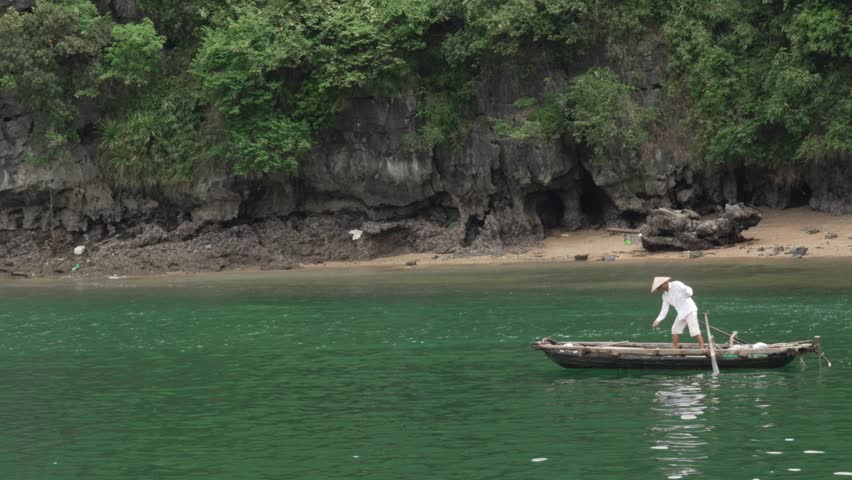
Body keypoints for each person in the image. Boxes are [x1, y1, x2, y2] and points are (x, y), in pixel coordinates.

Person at [651, 276, 705, 349]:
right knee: (675, 329)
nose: (658, 289)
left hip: (690, 310)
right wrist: (657, 320)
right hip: (681, 313)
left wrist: (688, 294)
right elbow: (664, 310)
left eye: (659, 287)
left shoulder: (676, 284)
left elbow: (689, 289)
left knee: (694, 330)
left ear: (665, 283)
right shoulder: (665, 296)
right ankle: (675, 349)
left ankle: (702, 348)